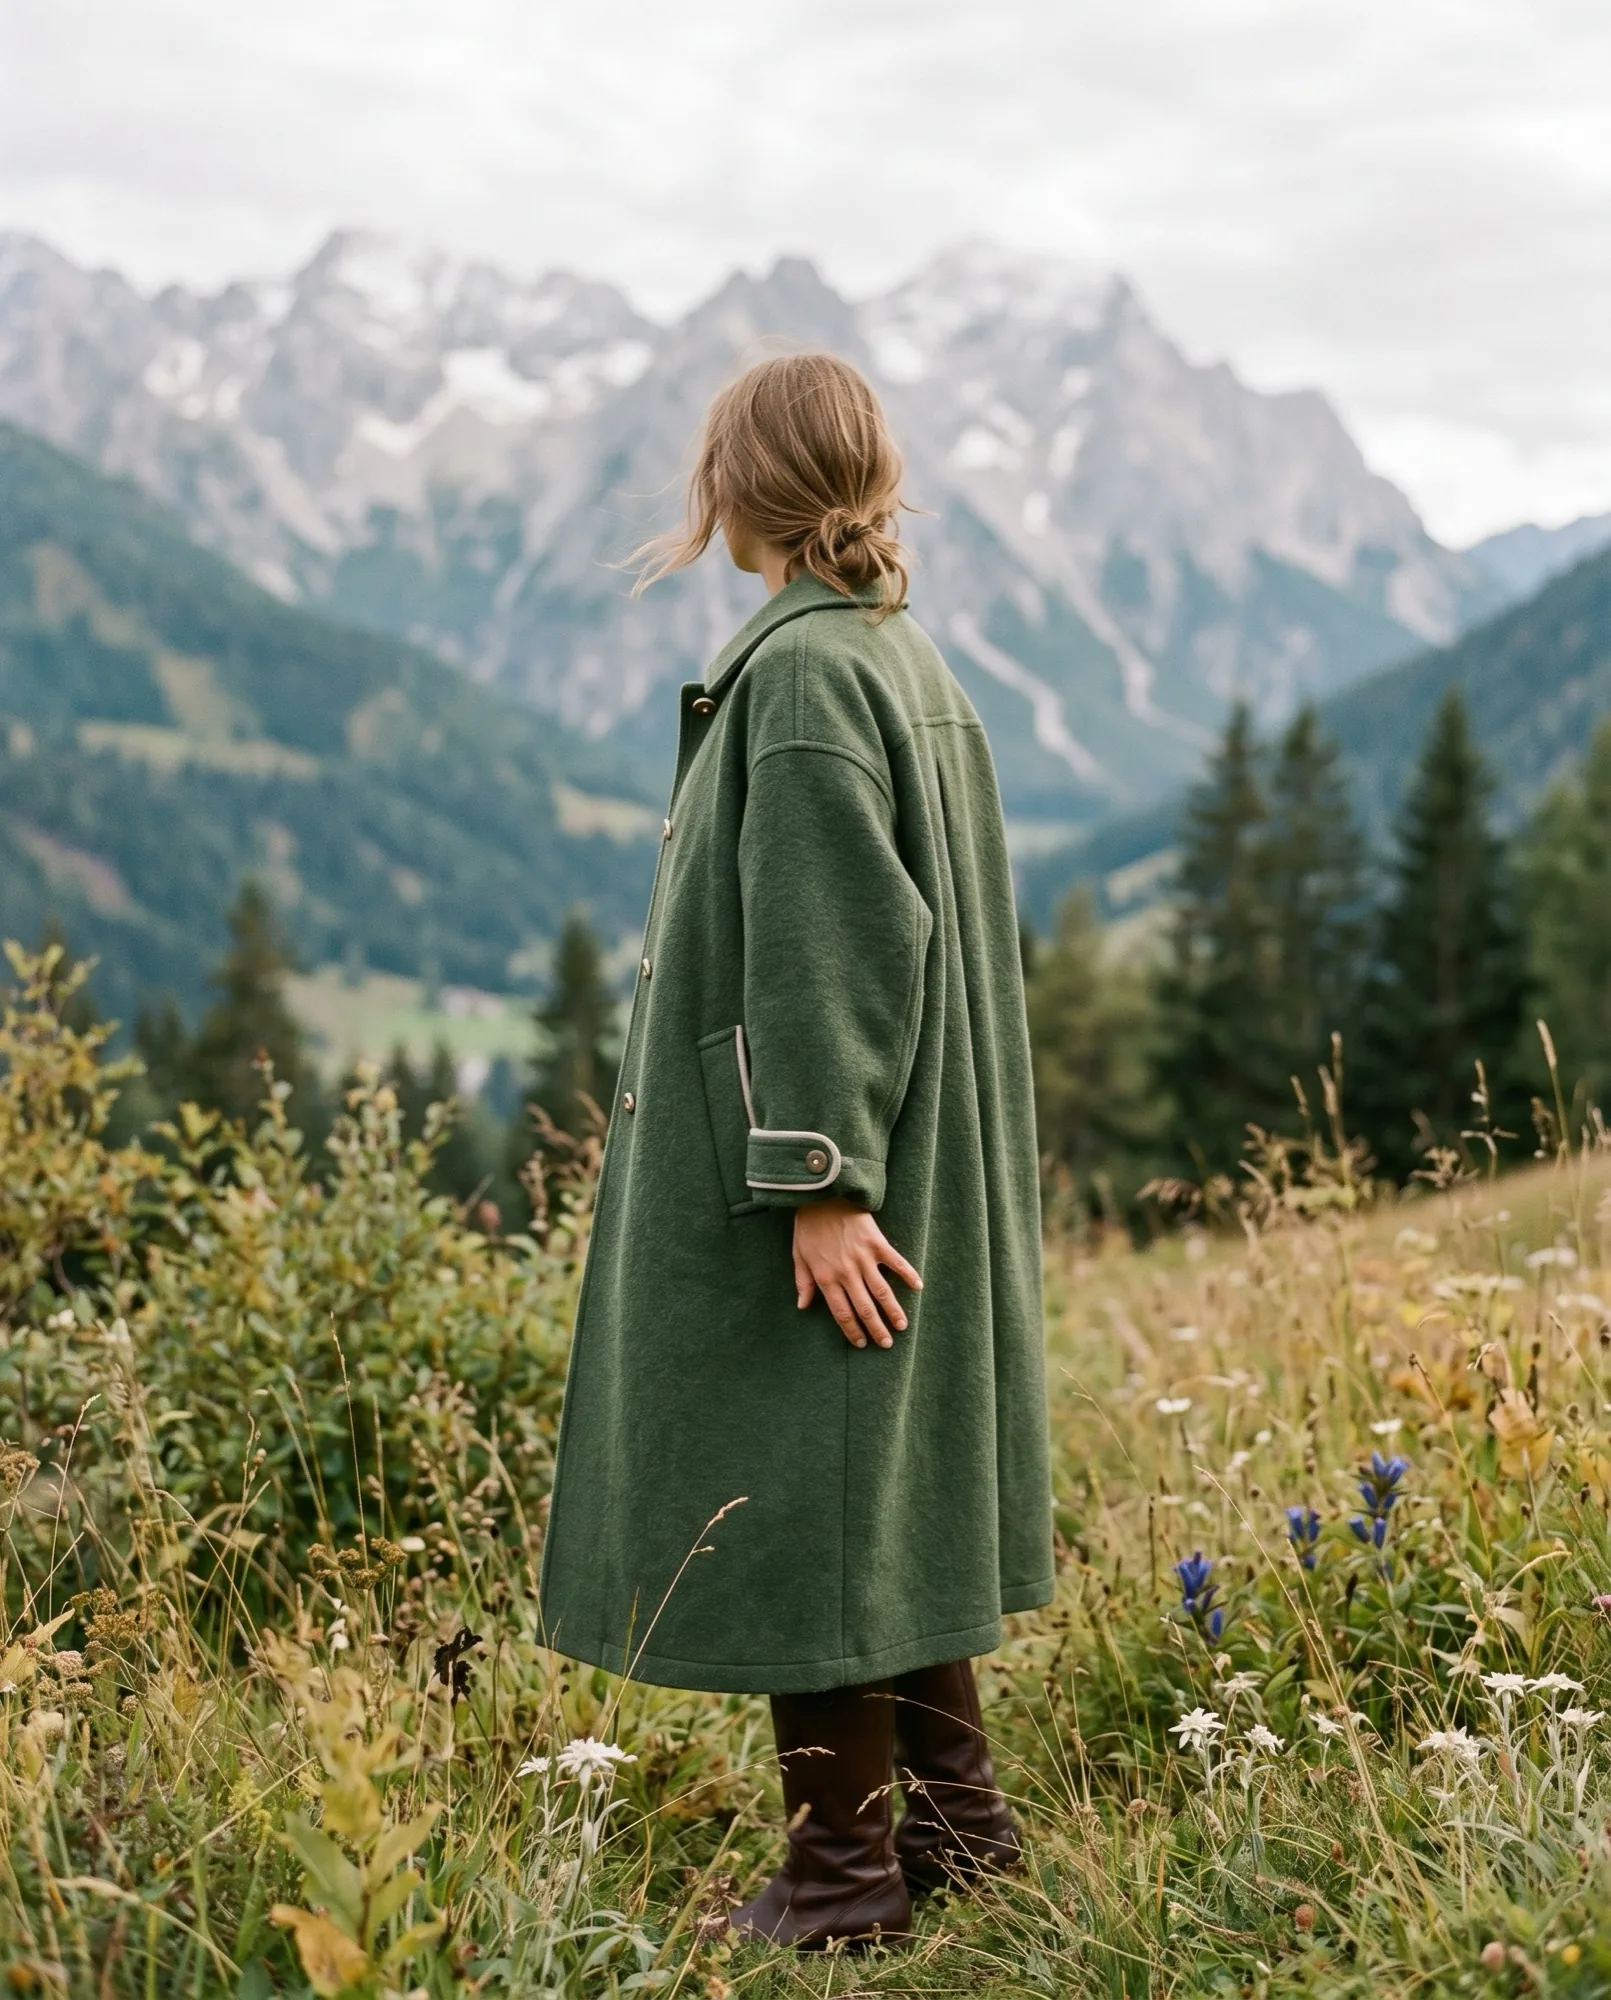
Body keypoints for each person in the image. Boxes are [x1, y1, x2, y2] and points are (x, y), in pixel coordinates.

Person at [537, 351, 1053, 1947]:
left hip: (824, 1164)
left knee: (811, 1494)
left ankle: (839, 1887)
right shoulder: (891, 651)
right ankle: (957, 1834)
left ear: (733, 487)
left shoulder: (811, 672)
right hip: (900, 1151)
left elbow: (831, 947)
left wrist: (820, 1181)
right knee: (868, 1488)